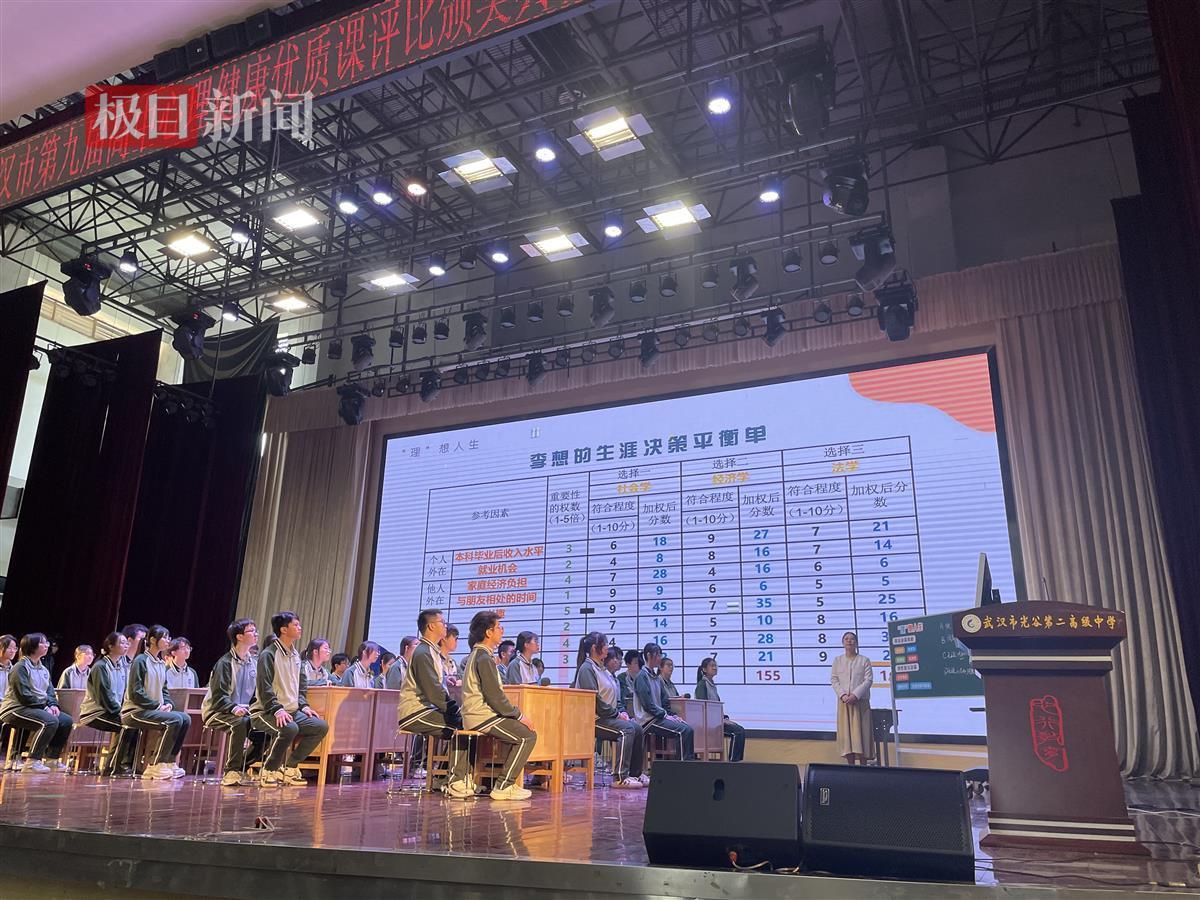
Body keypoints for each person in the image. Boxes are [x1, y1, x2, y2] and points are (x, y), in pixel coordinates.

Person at [396, 608, 472, 799]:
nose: (445, 626)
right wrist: (455, 710)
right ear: (431, 626)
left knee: (465, 725)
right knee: (463, 727)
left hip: (426, 710)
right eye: (442, 622)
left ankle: (443, 778)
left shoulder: (431, 651)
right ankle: (454, 781)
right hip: (415, 712)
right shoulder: (423, 652)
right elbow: (433, 692)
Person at [462, 610, 536, 801]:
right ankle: (504, 785)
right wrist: (519, 715)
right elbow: (494, 697)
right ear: (488, 632)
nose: (502, 630)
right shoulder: (483, 657)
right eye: (498, 627)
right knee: (527, 736)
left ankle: (504, 784)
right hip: (481, 716)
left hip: (481, 714)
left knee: (522, 733)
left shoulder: (481, 654)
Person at [250, 611, 329, 787]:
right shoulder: (269, 654)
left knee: (320, 726)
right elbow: (264, 686)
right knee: (289, 729)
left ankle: (289, 767)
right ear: (283, 629)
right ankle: (268, 770)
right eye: (296, 625)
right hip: (266, 711)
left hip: (292, 710)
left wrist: (304, 705)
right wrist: (276, 709)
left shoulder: (296, 656)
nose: (300, 628)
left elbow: (301, 685)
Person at [574, 631, 643, 789]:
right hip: (593, 720)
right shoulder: (587, 668)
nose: (607, 648)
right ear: (594, 648)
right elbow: (594, 700)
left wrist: (620, 712)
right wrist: (616, 714)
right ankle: (620, 777)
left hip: (606, 717)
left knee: (637, 728)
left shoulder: (603, 669)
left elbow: (613, 698)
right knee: (626, 730)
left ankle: (635, 774)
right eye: (604, 644)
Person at [202, 618, 265, 786]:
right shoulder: (225, 663)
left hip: (243, 712)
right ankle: (231, 771)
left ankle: (241, 767)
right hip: (217, 711)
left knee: (265, 731)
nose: (256, 634)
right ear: (239, 637)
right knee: (239, 724)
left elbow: (255, 695)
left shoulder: (254, 663)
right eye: (251, 631)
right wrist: (233, 708)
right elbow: (219, 697)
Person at [121, 625, 190, 780]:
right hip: (135, 711)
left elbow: (164, 689)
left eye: (168, 637)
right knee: (174, 720)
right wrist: (157, 706)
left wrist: (168, 703)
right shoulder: (141, 660)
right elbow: (136, 692)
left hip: (153, 710)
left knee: (185, 718)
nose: (168, 640)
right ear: (153, 640)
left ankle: (169, 761)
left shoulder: (160, 663)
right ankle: (156, 764)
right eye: (164, 637)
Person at [0, 633, 73, 773]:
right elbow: (24, 695)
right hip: (16, 708)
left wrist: (53, 704)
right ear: (32, 646)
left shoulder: (43, 669)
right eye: (42, 643)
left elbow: (50, 691)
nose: (46, 646)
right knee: (50, 721)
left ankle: (52, 759)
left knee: (66, 721)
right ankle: (32, 761)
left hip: (35, 707)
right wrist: (45, 707)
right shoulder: (20, 667)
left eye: (46, 643)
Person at [79, 632, 135, 775]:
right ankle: (111, 767)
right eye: (122, 642)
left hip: (113, 711)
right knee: (126, 726)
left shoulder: (122, 666)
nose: (125, 646)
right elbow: (104, 696)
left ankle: (127, 764)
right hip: (95, 713)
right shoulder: (101, 666)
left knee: (134, 723)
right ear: (111, 646)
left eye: (126, 643)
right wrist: (121, 712)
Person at [632, 643, 694, 762]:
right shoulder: (641, 676)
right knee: (683, 731)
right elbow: (647, 705)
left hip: (657, 718)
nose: (660, 658)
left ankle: (688, 764)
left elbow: (664, 701)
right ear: (649, 655)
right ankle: (683, 768)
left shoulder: (655, 677)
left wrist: (673, 716)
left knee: (688, 728)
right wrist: (665, 715)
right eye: (658, 655)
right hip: (647, 720)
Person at [831, 632, 874, 765]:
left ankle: (863, 767)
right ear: (843, 643)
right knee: (847, 737)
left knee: (863, 735)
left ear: (856, 642)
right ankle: (851, 768)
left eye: (852, 639)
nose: (849, 641)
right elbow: (834, 680)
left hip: (861, 703)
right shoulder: (838, 660)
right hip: (844, 703)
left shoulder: (864, 660)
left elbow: (868, 680)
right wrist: (843, 695)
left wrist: (855, 695)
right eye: (846, 639)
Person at [695, 657, 745, 762]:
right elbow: (703, 707)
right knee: (738, 731)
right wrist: (721, 720)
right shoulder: (702, 685)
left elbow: (716, 707)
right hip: (709, 724)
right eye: (712, 666)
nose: (715, 668)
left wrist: (724, 718)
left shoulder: (712, 685)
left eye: (715, 666)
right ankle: (733, 762)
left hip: (716, 721)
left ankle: (737, 761)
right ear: (704, 669)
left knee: (740, 729)